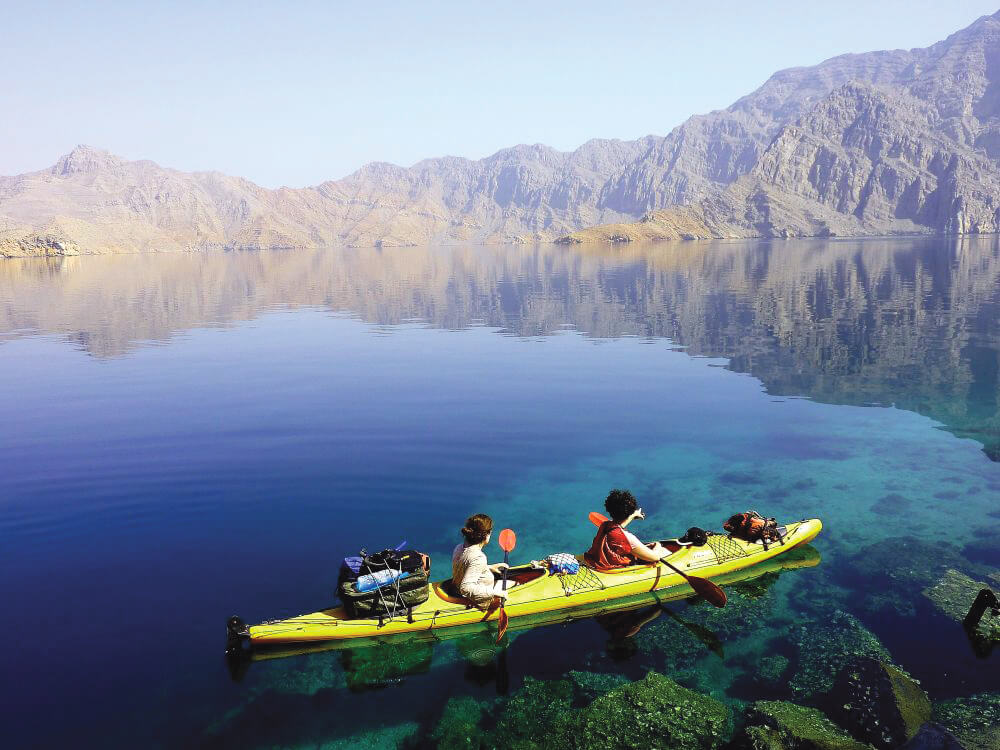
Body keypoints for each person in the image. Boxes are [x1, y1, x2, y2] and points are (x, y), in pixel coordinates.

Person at [584, 489, 670, 571]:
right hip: (612, 568)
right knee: (664, 552)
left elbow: (618, 526)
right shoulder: (628, 538)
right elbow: (655, 557)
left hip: (597, 562)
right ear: (629, 512)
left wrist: (632, 516)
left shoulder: (605, 525)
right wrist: (658, 545)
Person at [452, 513, 512, 610]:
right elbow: (466, 588)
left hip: (456, 591)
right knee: (517, 583)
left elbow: (466, 565)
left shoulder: (459, 547)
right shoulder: (479, 557)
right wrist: (494, 593)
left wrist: (488, 567)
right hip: (479, 601)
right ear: (486, 535)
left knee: (512, 582)